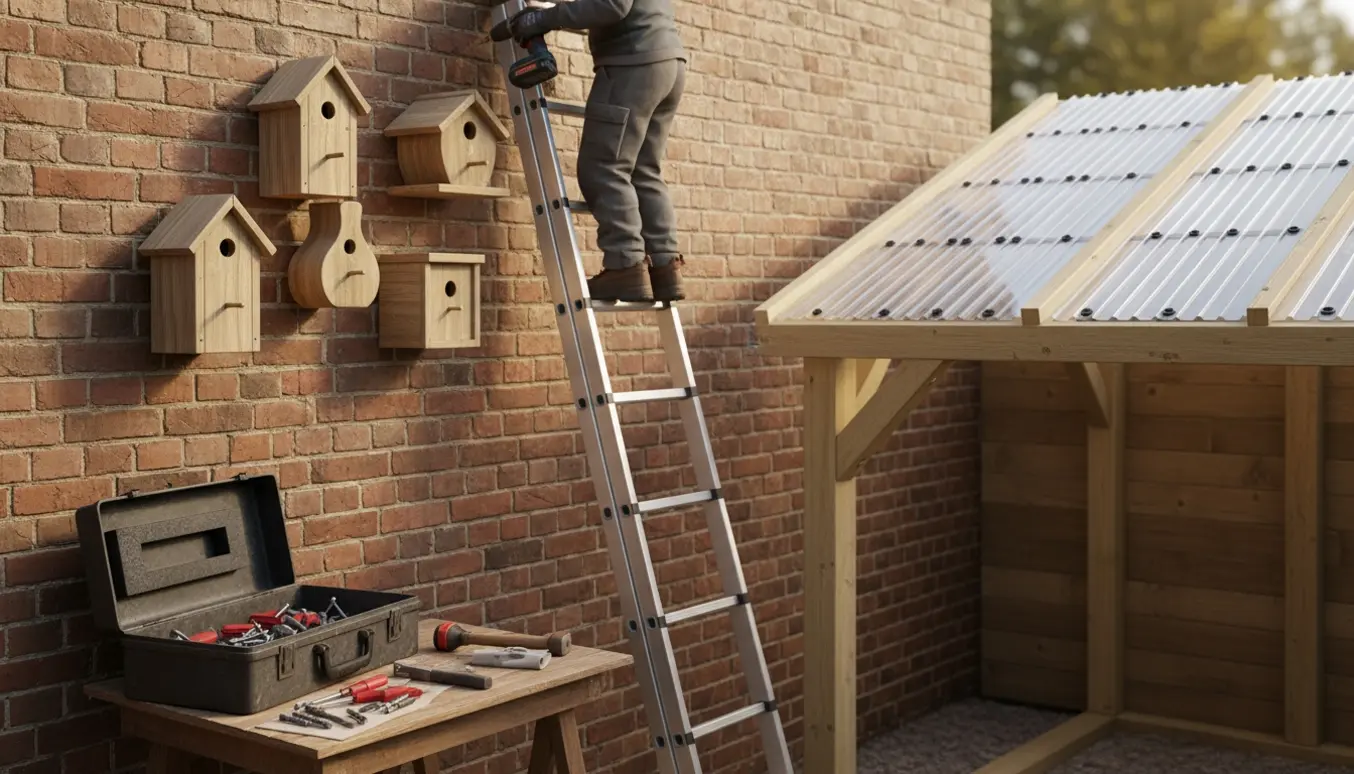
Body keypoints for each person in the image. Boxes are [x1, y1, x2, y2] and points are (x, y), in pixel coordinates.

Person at [500, 0, 687, 302]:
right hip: (666, 62)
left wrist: (545, 18)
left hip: (633, 63)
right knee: (642, 169)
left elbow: (612, 5)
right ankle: (665, 269)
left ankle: (624, 265)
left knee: (603, 168)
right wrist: (547, 17)